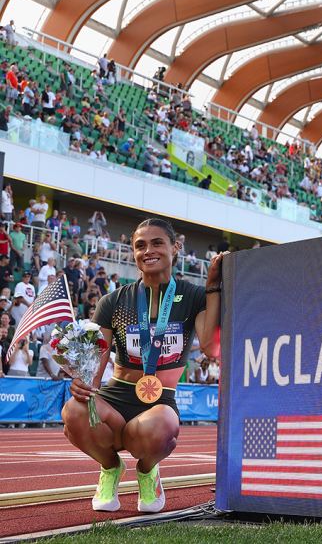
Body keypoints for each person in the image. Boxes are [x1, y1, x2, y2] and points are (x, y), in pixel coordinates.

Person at [62, 218, 224, 513]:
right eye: (140, 245)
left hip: (160, 402)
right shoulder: (113, 301)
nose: (148, 250)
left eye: (157, 243)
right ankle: (111, 468)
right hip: (116, 396)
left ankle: (147, 470)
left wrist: (212, 285)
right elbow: (96, 372)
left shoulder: (193, 295)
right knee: (74, 410)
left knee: (162, 426)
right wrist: (82, 381)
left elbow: (213, 348)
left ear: (175, 248)